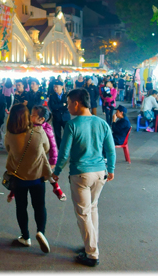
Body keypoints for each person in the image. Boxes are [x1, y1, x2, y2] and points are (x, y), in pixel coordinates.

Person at [52, 88, 116, 267]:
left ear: (76, 103)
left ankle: (92, 254)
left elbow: (64, 154)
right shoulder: (102, 123)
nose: (68, 107)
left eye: (68, 103)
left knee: (83, 213)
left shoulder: (72, 125)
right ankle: (91, 244)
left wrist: (56, 172)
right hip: (100, 173)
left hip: (80, 174)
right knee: (92, 208)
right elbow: (110, 149)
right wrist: (110, 169)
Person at [4, 103, 52, 253]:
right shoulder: (38, 133)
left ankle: (25, 237)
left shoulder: (10, 135)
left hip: (18, 178)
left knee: (21, 207)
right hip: (37, 177)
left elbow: (8, 150)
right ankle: (41, 232)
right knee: (39, 206)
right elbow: (47, 148)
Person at [8, 106, 66, 203]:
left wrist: (53, 160)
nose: (30, 116)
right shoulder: (28, 126)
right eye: (31, 114)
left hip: (40, 158)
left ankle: (57, 188)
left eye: (33, 115)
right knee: (19, 173)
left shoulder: (46, 129)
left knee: (46, 171)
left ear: (42, 119)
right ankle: (13, 191)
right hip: (27, 157)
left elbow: (52, 146)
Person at [47, 80, 71, 147]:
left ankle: (67, 146)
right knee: (57, 134)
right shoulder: (52, 96)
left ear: (62, 87)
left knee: (68, 133)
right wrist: (62, 104)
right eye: (54, 87)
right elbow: (53, 106)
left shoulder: (67, 95)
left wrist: (59, 106)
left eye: (57, 87)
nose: (55, 88)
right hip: (56, 117)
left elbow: (67, 106)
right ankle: (60, 148)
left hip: (65, 117)